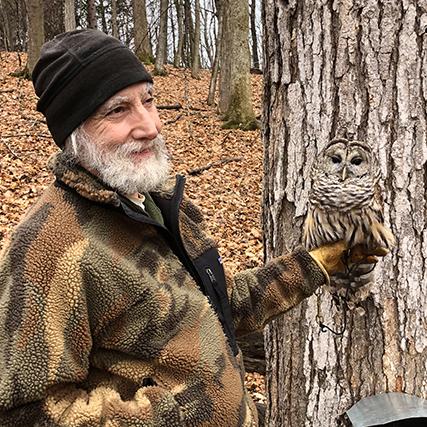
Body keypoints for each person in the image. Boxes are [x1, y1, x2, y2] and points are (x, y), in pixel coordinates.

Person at [0, 29, 386, 426]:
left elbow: (218, 306)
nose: (149, 125)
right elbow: (25, 413)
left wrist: (316, 263)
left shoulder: (155, 201)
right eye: (118, 110)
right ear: (75, 131)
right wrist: (180, 413)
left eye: (148, 101)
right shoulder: (47, 246)